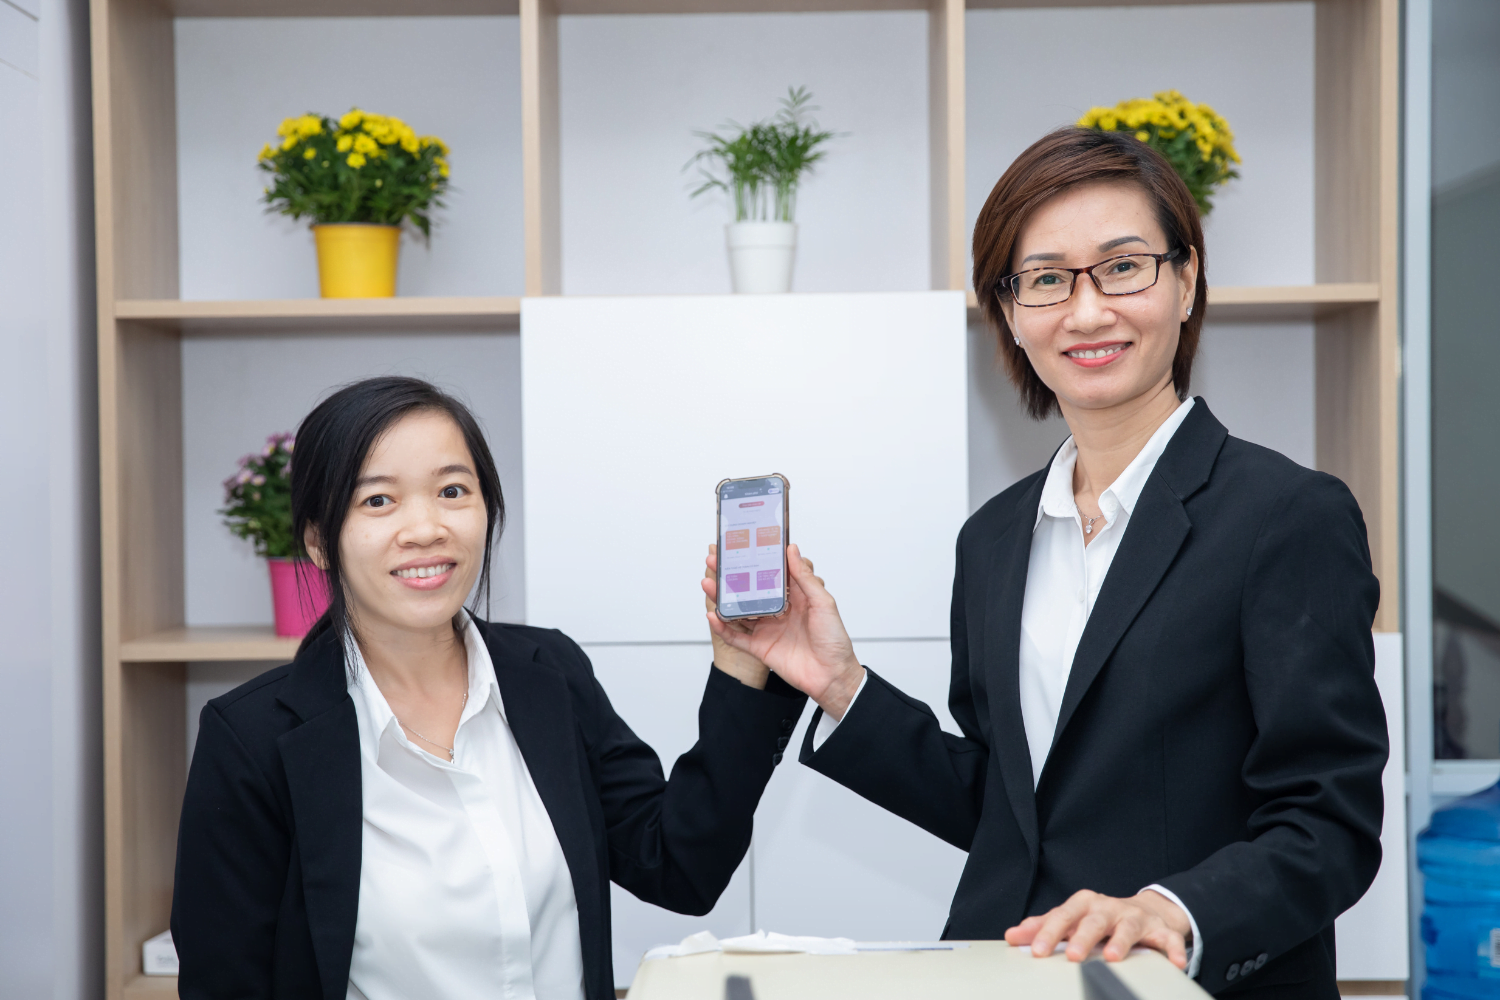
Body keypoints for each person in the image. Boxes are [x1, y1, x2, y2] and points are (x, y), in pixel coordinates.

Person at [705, 127, 1388, 1000]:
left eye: (1124, 266)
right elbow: (1009, 813)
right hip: (1010, 976)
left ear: (1186, 284)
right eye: (1046, 279)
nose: (1087, 309)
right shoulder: (992, 538)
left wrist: (1173, 910)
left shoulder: (1288, 516)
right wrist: (842, 686)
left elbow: (1329, 822)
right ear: (1012, 314)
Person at [172, 376, 806, 1000]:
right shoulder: (253, 739)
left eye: (452, 490)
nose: (425, 528)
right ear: (318, 540)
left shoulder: (549, 673)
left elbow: (678, 866)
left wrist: (741, 667)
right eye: (378, 501)